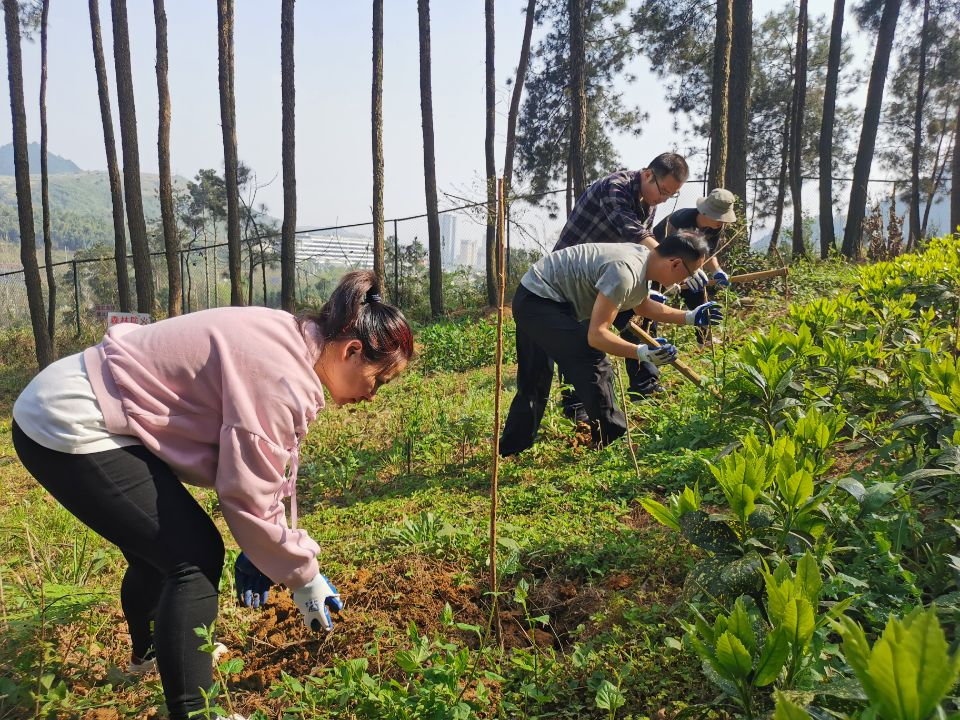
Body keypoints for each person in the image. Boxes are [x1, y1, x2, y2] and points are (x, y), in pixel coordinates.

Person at [11, 271, 414, 720]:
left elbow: (262, 467)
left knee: (156, 553)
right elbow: (247, 493)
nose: (373, 395)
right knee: (193, 557)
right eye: (378, 379)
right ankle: (196, 714)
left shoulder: (290, 339)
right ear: (352, 350)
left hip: (82, 402)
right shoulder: (283, 376)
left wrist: (267, 546)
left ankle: (149, 656)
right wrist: (301, 574)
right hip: (70, 421)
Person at [499, 230, 722, 457]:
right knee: (591, 359)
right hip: (539, 300)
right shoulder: (624, 271)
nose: (685, 281)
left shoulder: (643, 260)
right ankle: (611, 440)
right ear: (675, 264)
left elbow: (641, 305)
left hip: (537, 294)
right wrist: (642, 353)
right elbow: (597, 335)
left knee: (534, 378)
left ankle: (510, 449)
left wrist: (689, 317)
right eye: (689, 273)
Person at [551, 152, 690, 417]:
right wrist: (675, 260)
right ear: (648, 174)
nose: (662, 199)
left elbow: (638, 253)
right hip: (575, 278)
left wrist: (648, 287)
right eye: (663, 191)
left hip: (613, 275)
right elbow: (635, 234)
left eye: (670, 196)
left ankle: (645, 386)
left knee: (639, 324)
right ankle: (577, 408)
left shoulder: (649, 199)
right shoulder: (614, 187)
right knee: (580, 338)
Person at [650, 187, 738, 345]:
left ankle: (704, 338)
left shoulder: (716, 227)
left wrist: (717, 271)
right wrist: (675, 280)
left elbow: (708, 253)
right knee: (655, 299)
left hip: (688, 268)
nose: (721, 222)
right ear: (705, 212)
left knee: (698, 295)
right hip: (659, 264)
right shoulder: (680, 220)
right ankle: (650, 337)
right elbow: (662, 253)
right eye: (718, 217)